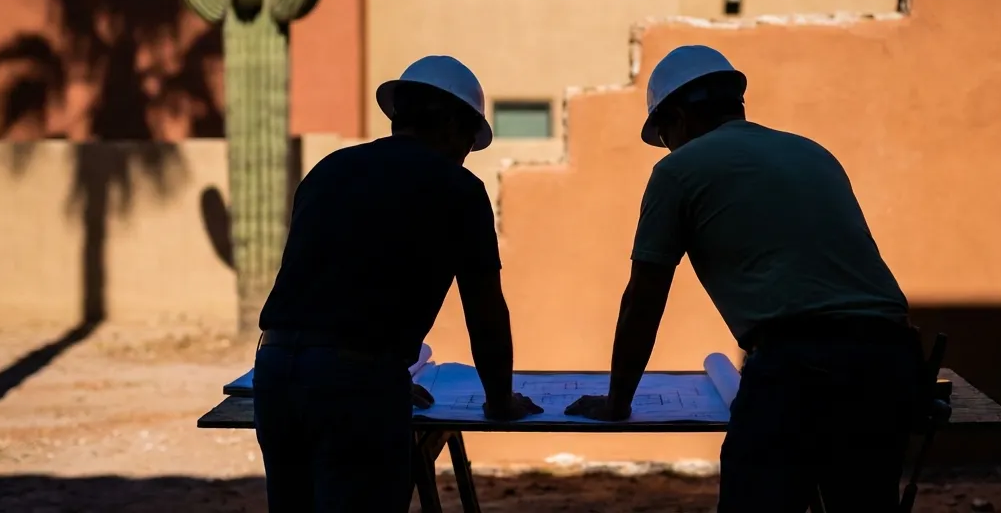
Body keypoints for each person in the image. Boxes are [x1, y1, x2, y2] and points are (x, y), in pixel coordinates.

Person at [565, 44, 925, 512]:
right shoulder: (813, 153)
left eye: (666, 133)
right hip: (891, 361)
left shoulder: (678, 171)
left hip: (799, 365)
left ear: (675, 118)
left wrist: (617, 402)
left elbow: (644, 298)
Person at [252, 54, 543, 513]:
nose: (467, 151)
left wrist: (380, 372)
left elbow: (325, 287)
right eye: (470, 137)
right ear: (450, 124)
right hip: (357, 386)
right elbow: (484, 310)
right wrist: (501, 400)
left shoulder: (329, 170)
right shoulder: (457, 189)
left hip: (274, 373)